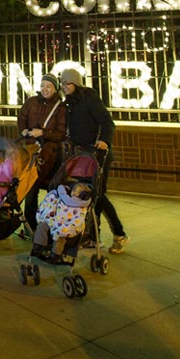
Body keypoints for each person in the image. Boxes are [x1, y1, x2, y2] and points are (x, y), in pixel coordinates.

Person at [59, 68, 128, 253]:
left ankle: (119, 234)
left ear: (76, 84)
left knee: (98, 196)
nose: (64, 87)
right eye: (62, 83)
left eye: (67, 83)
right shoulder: (69, 104)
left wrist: (104, 140)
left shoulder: (89, 98)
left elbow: (107, 121)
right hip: (81, 156)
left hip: (97, 155)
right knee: (87, 196)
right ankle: (91, 237)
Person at [16, 72, 66, 234]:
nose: (45, 89)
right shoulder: (31, 102)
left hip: (49, 157)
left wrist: (42, 133)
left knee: (47, 190)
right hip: (30, 152)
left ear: (55, 89)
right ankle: (30, 226)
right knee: (29, 189)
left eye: (49, 86)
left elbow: (61, 133)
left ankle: (46, 225)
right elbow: (22, 116)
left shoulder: (60, 107)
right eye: (43, 85)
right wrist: (23, 129)